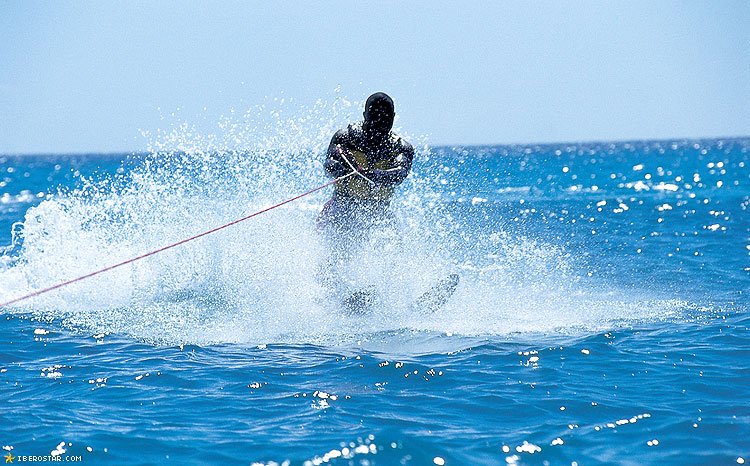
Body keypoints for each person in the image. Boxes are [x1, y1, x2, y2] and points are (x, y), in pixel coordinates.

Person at [316, 92, 415, 310]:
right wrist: (343, 165)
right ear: (364, 115)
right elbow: (329, 165)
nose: (380, 122)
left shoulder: (401, 148)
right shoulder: (345, 137)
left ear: (394, 117)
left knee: (391, 255)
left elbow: (399, 173)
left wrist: (369, 174)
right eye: (374, 116)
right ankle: (326, 302)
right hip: (341, 209)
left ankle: (395, 303)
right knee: (335, 260)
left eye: (385, 117)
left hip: (379, 214)